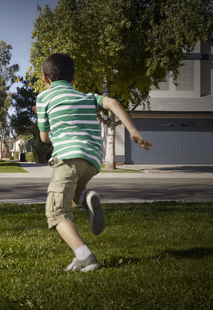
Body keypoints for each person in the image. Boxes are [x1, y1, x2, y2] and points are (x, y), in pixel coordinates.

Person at [34, 53, 152, 272]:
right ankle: (85, 198)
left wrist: (49, 121)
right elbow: (112, 103)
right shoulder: (86, 97)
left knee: (56, 212)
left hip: (68, 158)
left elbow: (44, 138)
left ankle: (85, 256)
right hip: (92, 160)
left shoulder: (43, 99)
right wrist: (133, 131)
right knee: (71, 196)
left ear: (45, 78)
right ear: (73, 80)